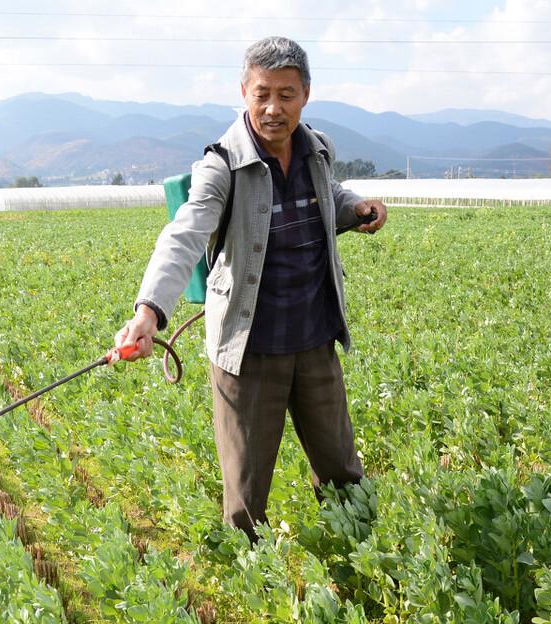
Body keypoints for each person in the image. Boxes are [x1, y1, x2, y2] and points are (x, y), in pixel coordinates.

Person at [113, 35, 387, 538]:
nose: (272, 108)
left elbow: (329, 196)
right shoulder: (222, 165)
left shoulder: (318, 150)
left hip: (315, 340)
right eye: (262, 93)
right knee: (245, 499)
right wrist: (148, 312)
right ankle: (252, 586)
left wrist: (357, 208)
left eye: (285, 94)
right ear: (243, 91)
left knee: (343, 472)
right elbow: (185, 234)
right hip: (249, 351)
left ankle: (362, 562)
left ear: (305, 94)